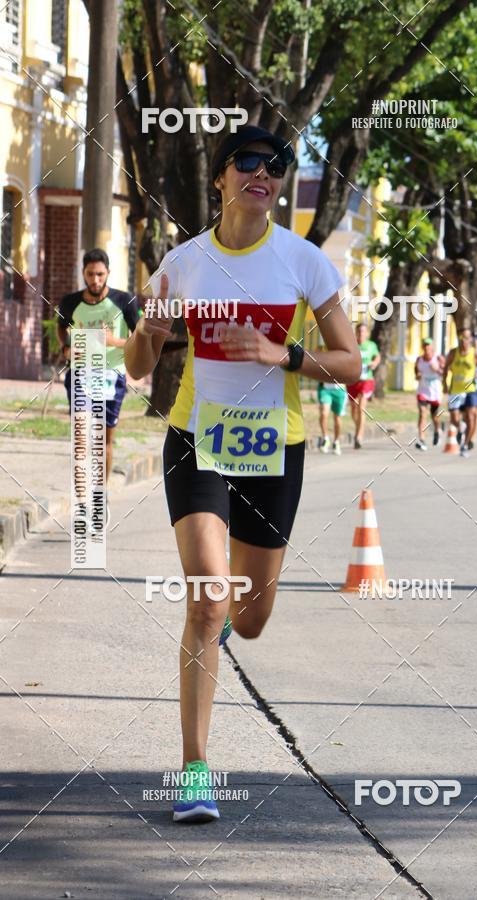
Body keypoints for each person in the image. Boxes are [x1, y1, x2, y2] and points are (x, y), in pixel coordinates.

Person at [124, 125, 361, 824]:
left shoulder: (305, 262)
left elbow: (350, 365)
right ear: (223, 178)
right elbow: (139, 368)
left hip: (274, 450)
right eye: (249, 162)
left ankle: (231, 616)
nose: (264, 173)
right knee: (205, 600)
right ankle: (195, 771)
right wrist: (150, 332)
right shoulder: (184, 263)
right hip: (199, 440)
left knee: (248, 618)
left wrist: (281, 354)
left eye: (277, 165)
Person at [57, 248, 139, 493]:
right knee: (81, 438)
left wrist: (115, 341)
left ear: (108, 273)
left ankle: (99, 496)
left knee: (104, 440)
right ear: (83, 272)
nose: (95, 280)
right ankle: (82, 498)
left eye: (100, 274)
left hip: (112, 376)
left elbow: (140, 340)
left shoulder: (124, 301)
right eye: (90, 274)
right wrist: (66, 348)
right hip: (81, 373)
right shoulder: (71, 301)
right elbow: (62, 327)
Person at [443, 327, 477, 459]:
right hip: (456, 390)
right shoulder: (453, 353)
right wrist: (444, 383)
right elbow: (445, 368)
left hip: (470, 390)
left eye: (466, 337)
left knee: (471, 417)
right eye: (461, 337)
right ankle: (461, 429)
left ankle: (465, 445)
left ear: (470, 339)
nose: (464, 340)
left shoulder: (475, 353)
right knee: (454, 418)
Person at [347, 322, 380, 449]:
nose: (361, 333)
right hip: (353, 380)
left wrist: (374, 363)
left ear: (367, 333)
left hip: (367, 380)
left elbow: (377, 356)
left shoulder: (371, 345)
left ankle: (359, 436)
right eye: (359, 331)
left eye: (363, 331)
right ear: (356, 333)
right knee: (353, 410)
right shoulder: (352, 345)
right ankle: (358, 427)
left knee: (361, 407)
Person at [414, 337, 444, 450]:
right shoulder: (419, 360)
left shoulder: (439, 359)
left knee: (434, 416)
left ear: (432, 347)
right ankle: (422, 440)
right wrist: (418, 376)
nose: (427, 347)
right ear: (423, 347)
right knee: (422, 413)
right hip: (422, 391)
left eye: (429, 345)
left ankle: (437, 430)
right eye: (425, 345)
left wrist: (437, 369)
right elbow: (416, 375)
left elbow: (445, 372)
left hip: (435, 392)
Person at [317, 378, 347, 454]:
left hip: (339, 389)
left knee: (337, 418)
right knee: (324, 413)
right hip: (324, 389)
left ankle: (336, 442)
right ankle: (326, 439)